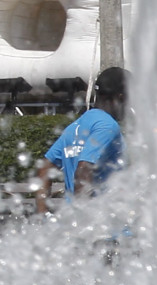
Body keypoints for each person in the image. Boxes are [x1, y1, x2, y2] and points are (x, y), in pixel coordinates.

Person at [34, 66, 129, 212]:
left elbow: (45, 168)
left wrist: (41, 215)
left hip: (80, 224)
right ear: (121, 96)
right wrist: (83, 221)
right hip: (108, 229)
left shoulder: (75, 127)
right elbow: (84, 167)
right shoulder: (107, 126)